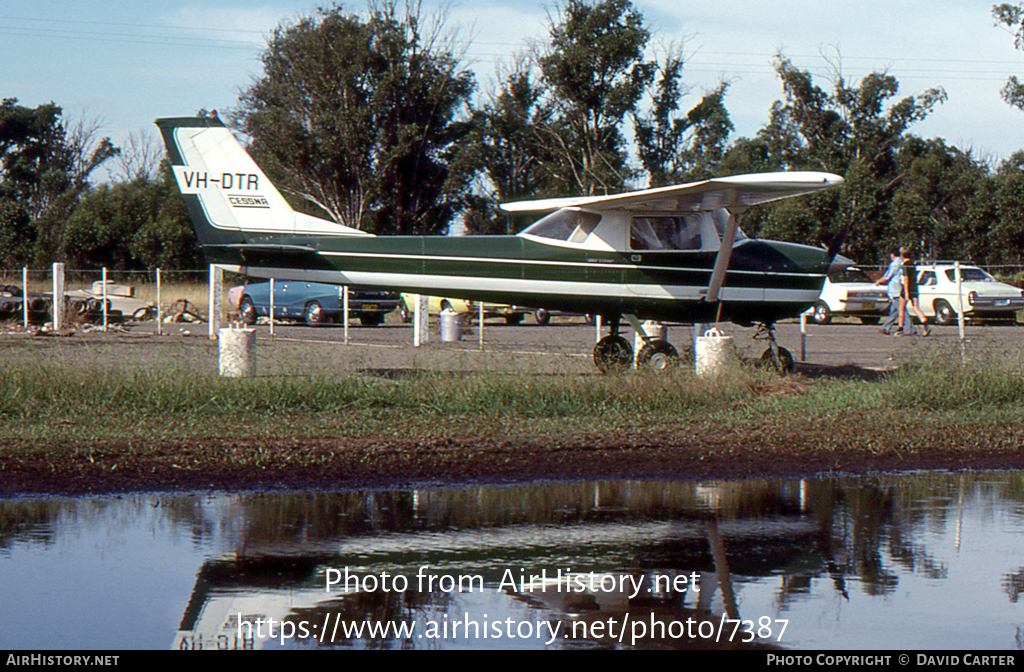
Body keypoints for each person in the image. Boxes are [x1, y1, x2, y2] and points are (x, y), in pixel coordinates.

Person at [897, 247, 930, 336]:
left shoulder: (904, 265)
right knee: (916, 307)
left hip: (906, 288)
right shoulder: (913, 263)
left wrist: (906, 292)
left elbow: (906, 278)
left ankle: (900, 328)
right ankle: (925, 323)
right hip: (914, 287)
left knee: (901, 308)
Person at [874, 248, 905, 335]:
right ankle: (886, 328)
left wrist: (878, 282)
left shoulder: (895, 264)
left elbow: (887, 276)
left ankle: (910, 329)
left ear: (892, 255)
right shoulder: (902, 262)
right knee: (894, 311)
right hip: (898, 289)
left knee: (901, 311)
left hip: (895, 290)